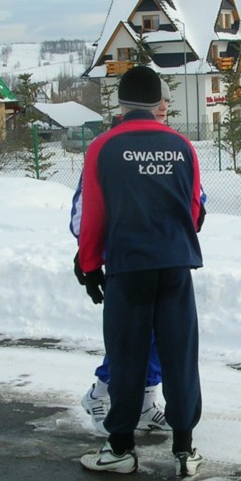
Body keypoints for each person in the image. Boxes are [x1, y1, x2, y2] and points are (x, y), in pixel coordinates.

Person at [75, 65, 206, 477]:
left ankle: (120, 448)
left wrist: (89, 265)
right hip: (175, 264)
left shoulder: (103, 147)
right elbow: (194, 210)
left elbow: (93, 214)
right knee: (179, 356)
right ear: (157, 103)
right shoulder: (181, 145)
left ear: (121, 103)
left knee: (127, 355)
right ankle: (184, 450)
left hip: (128, 267)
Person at [71, 81, 175, 436]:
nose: (163, 105)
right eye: (157, 99)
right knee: (129, 338)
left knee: (158, 335)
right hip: (125, 259)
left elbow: (194, 200)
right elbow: (83, 210)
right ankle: (99, 394)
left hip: (164, 256)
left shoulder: (172, 146)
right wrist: (90, 256)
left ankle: (145, 404)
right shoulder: (108, 148)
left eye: (166, 100)